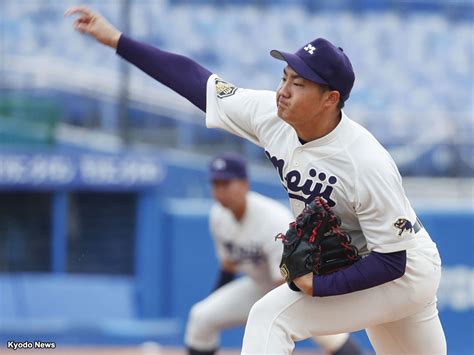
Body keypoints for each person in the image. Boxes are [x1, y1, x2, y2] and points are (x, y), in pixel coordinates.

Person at [65, 6, 447, 354]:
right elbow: (196, 80)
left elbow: (392, 261)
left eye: (298, 84)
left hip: (402, 272)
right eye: (284, 77)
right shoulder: (271, 115)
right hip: (367, 264)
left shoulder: (365, 161)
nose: (283, 91)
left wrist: (319, 286)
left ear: (330, 99)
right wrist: (117, 40)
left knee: (271, 316)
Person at [185, 153, 362, 355]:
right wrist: (216, 303)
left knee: (329, 338)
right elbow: (228, 265)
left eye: (226, 183)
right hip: (258, 285)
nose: (219, 190)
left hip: (295, 287)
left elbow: (285, 281)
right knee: (202, 316)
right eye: (215, 184)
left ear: (244, 184)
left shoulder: (272, 219)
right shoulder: (218, 216)